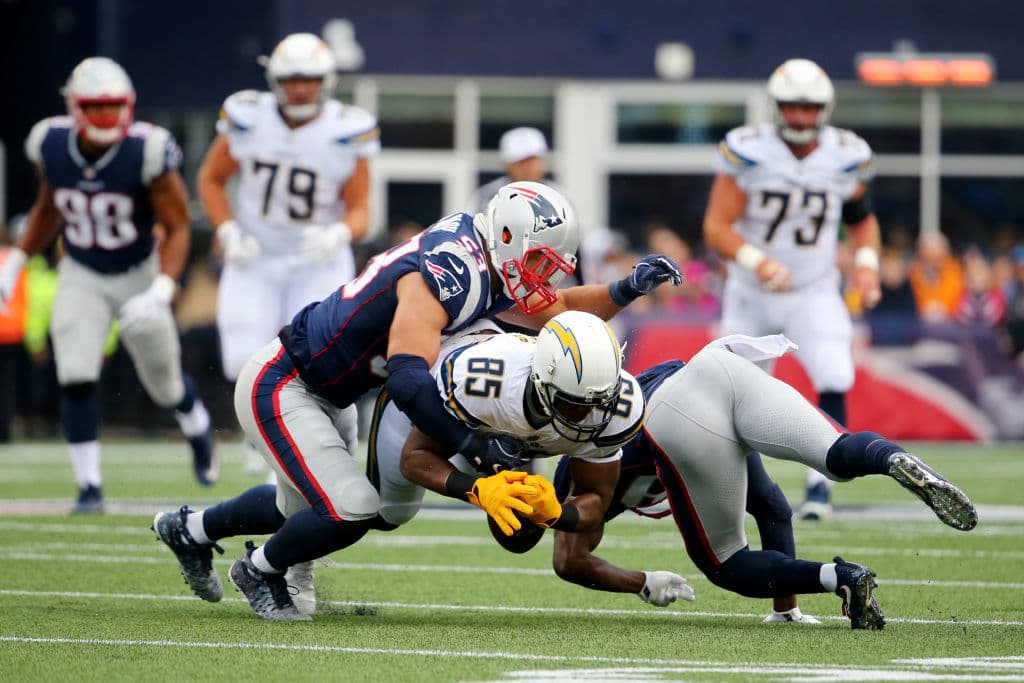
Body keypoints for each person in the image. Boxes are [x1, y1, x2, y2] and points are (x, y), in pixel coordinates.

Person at [151, 182, 682, 620]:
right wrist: (475, 448)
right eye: (540, 262)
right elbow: (407, 379)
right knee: (350, 508)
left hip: (332, 392)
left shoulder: (492, 261)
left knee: (310, 507)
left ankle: (191, 529)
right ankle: (257, 571)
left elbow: (561, 309)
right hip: (287, 381)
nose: (544, 276)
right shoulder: (451, 271)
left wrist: (627, 287)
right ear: (506, 237)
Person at [371, 321, 818, 623]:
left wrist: (557, 514)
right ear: (545, 384)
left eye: (599, 401)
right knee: (383, 511)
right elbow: (415, 457)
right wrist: (477, 489)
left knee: (520, 524)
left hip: (509, 429)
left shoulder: (614, 406)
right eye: (575, 404)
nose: (590, 415)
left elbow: (595, 505)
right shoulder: (484, 384)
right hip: (436, 385)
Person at [542, 335, 977, 630]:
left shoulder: (578, 464)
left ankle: (841, 577)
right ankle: (890, 457)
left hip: (673, 414)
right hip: (717, 365)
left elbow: (569, 561)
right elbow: (770, 507)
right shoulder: (604, 408)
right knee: (832, 456)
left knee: (727, 564)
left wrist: (641, 582)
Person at [0, 57, 217, 512]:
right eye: (95, 106)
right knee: (75, 372)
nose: (105, 115)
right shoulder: (50, 143)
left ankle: (196, 425)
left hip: (139, 271)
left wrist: (162, 287)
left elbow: (177, 225)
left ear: (129, 105)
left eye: (113, 105)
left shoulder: (148, 150)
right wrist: (17, 259)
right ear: (75, 107)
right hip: (81, 270)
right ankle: (89, 487)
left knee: (164, 384)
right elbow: (49, 207)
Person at [702, 58, 884, 520]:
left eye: (809, 108)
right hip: (751, 291)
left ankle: (822, 487)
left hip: (812, 288)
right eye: (791, 107)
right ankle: (743, 491)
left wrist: (866, 266)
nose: (800, 117)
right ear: (776, 106)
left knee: (835, 374)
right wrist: (757, 261)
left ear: (824, 109)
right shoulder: (750, 151)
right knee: (736, 393)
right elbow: (716, 227)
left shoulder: (846, 155)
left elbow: (862, 222)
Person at [197, 32, 380, 476]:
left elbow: (360, 207)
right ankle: (257, 432)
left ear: (326, 80)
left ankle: (317, 440)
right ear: (275, 80)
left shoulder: (346, 128)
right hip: (255, 254)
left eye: (308, 79)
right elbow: (211, 179)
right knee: (240, 356)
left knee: (319, 356)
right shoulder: (248, 117)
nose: (299, 88)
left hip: (316, 257)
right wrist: (227, 228)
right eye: (291, 79)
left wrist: (339, 234)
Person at [467, 127, 563, 215]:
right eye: (520, 162)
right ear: (507, 164)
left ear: (542, 160)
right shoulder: (486, 197)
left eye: (532, 160)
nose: (527, 168)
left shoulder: (560, 197)